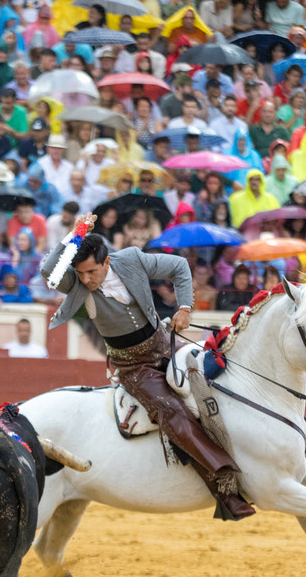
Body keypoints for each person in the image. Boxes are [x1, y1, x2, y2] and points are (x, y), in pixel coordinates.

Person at [41, 212, 255, 520]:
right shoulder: (75, 284)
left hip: (166, 343)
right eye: (81, 273)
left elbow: (179, 267)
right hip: (133, 367)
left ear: (106, 262)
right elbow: (49, 270)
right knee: (172, 410)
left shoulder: (130, 259)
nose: (86, 279)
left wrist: (184, 306)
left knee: (216, 380)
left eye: (91, 272)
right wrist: (74, 236)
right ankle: (223, 483)